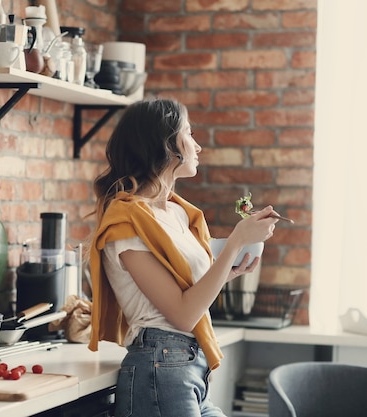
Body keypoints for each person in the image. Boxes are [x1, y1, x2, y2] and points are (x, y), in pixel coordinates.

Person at [87, 98, 279, 417]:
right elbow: (182, 314)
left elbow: (187, 291)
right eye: (189, 133)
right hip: (160, 367)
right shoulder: (126, 221)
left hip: (189, 369)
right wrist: (234, 242)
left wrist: (227, 270)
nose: (198, 146)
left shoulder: (176, 213)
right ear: (165, 146)